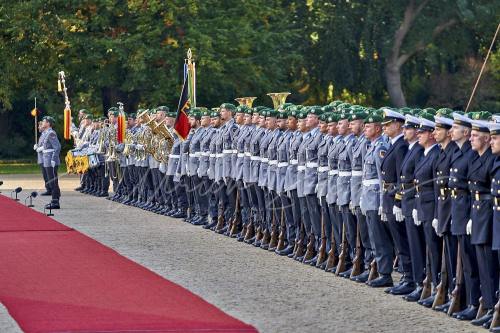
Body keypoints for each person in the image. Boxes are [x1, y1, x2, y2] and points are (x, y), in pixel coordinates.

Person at [39, 116, 61, 209]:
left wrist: (53, 159)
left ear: (48, 123)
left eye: (44, 121)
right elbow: (46, 146)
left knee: (53, 181)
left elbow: (57, 147)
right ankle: (54, 199)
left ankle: (55, 202)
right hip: (46, 159)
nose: (42, 123)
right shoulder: (46, 133)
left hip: (50, 160)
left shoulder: (51, 133)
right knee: (51, 180)